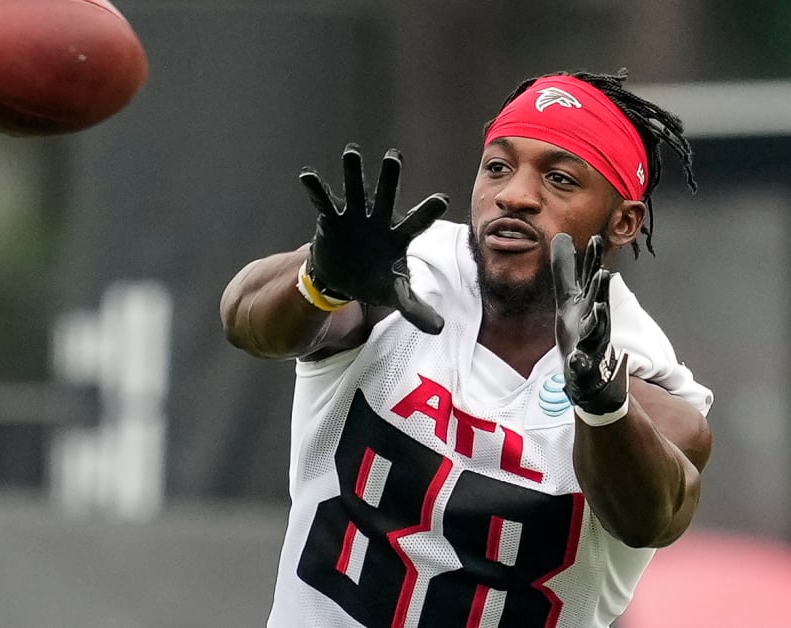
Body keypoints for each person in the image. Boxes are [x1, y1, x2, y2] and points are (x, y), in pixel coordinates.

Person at [220, 69, 714, 628]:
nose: (516, 195)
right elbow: (244, 319)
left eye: (559, 179)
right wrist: (319, 280)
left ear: (624, 221)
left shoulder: (641, 377)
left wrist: (603, 407)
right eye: (498, 167)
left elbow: (655, 517)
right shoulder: (407, 276)